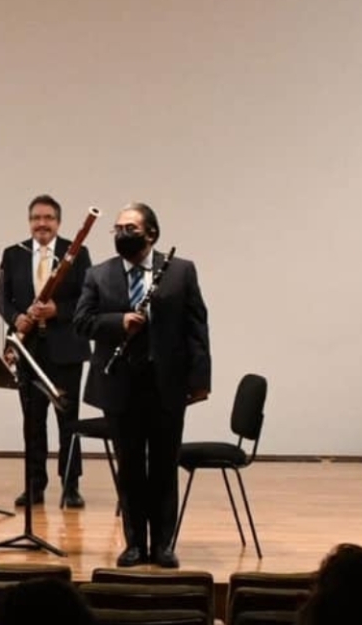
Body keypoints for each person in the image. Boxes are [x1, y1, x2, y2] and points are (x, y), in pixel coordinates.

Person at [73, 202, 210, 568]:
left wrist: (200, 380)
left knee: (165, 465)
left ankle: (163, 544)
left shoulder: (180, 271)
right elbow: (82, 322)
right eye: (117, 228)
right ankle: (134, 544)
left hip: (166, 383)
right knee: (130, 466)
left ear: (151, 233)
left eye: (129, 228)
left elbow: (197, 327)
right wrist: (120, 322)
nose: (122, 234)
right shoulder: (99, 274)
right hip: (120, 384)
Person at [0, 194, 91, 509]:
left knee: (69, 422)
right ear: (29, 222)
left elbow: (86, 299)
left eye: (48, 218)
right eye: (37, 218)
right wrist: (16, 318)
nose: (42, 223)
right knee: (33, 422)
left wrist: (56, 310)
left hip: (66, 349)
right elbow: (2, 297)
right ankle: (34, 485)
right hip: (30, 350)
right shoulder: (13, 254)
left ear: (58, 222)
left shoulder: (77, 253)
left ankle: (71, 486)